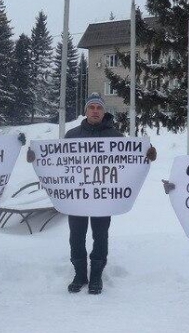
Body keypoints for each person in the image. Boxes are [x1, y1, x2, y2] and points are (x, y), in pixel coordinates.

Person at [56, 92, 156, 295]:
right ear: (85, 111)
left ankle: (96, 275)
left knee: (100, 235)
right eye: (91, 107)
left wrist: (147, 155)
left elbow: (130, 160)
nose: (95, 111)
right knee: (76, 235)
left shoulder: (116, 137)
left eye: (99, 108)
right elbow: (57, 162)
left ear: (104, 111)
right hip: (77, 198)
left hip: (104, 198)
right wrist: (36, 158)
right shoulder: (72, 135)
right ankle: (79, 274)